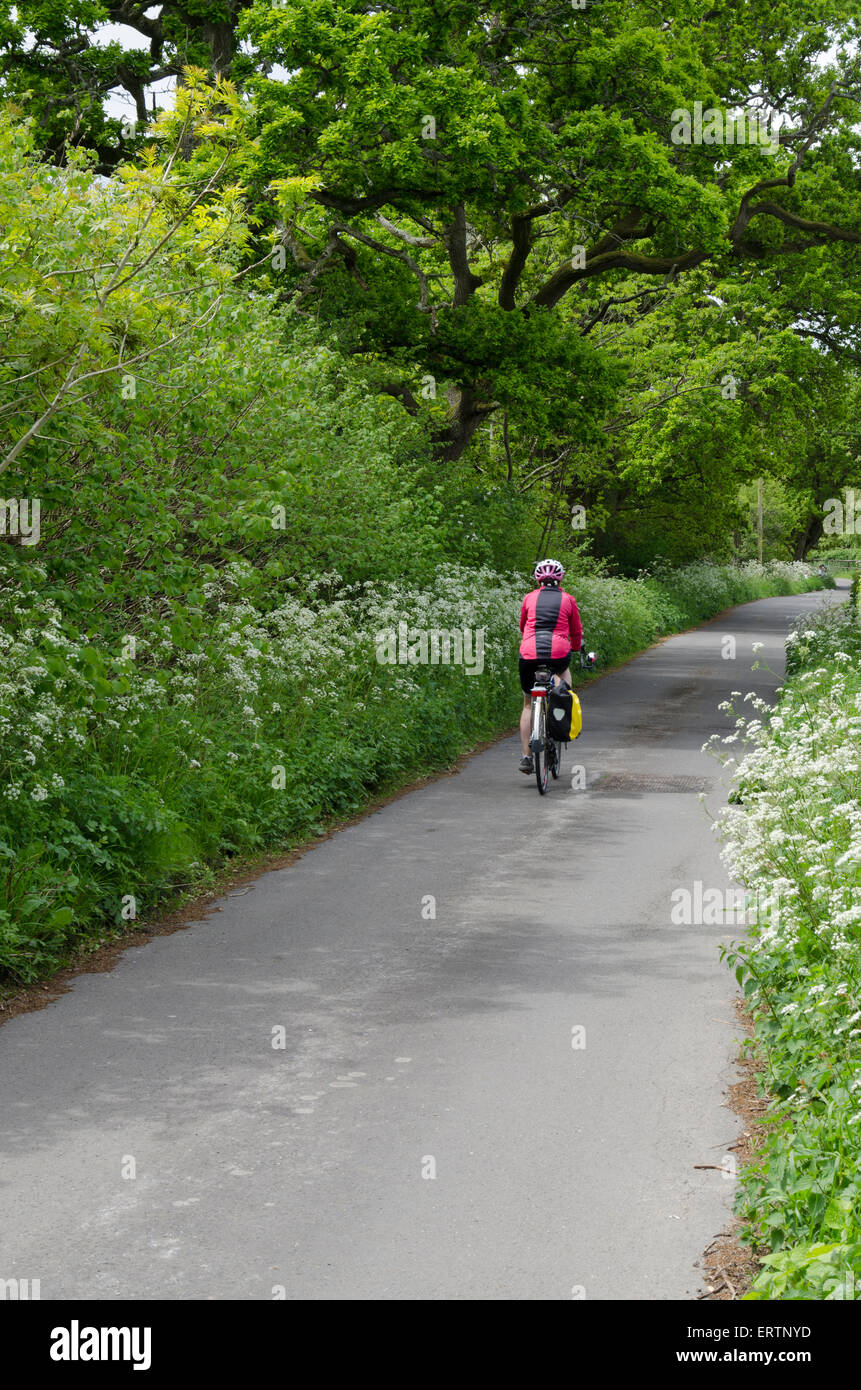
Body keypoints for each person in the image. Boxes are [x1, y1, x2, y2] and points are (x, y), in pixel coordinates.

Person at [518, 559, 582, 773]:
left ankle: (526, 757)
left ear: (538, 580)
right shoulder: (568, 599)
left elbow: (522, 626)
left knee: (528, 703)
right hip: (558, 653)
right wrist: (574, 647)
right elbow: (575, 632)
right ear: (560, 578)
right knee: (564, 683)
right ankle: (559, 721)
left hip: (529, 653)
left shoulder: (529, 598)